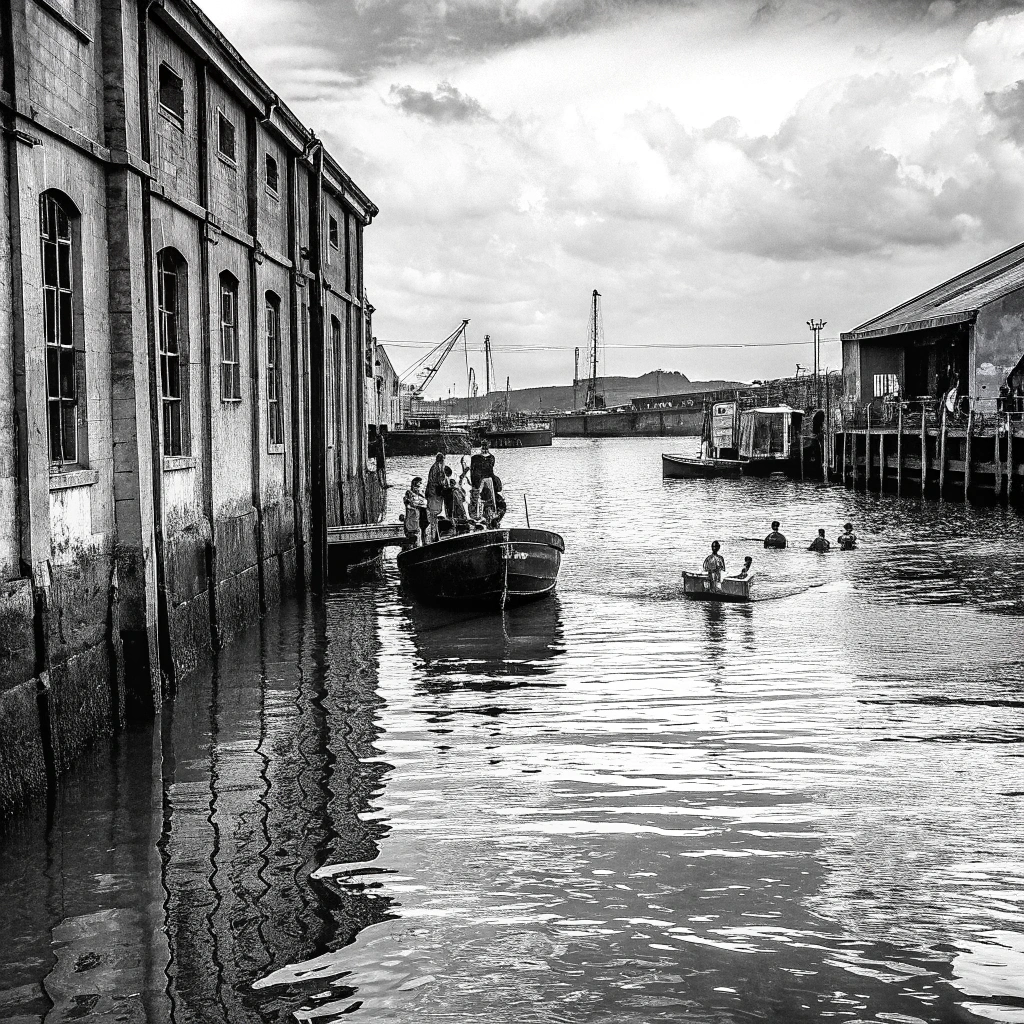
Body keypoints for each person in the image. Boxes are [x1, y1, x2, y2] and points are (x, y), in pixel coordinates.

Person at [469, 439, 495, 518]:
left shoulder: (477, 458)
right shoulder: (476, 458)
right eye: (483, 446)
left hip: (486, 480)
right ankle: (480, 514)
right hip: (481, 480)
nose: (484, 448)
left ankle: (485, 514)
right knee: (480, 499)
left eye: (485, 446)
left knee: (486, 498)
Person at [425, 452, 447, 543]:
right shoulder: (437, 467)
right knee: (433, 516)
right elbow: (438, 481)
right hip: (434, 493)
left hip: (434, 493)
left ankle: (434, 535)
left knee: (433, 517)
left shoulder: (436, 467)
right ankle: (434, 537)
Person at [403, 477, 426, 548]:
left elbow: (424, 503)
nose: (419, 488)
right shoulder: (409, 493)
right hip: (411, 521)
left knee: (417, 540)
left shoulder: (421, 494)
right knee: (412, 539)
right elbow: (409, 504)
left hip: (416, 521)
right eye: (418, 485)